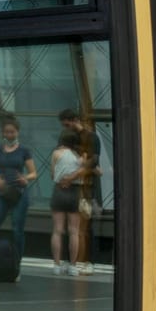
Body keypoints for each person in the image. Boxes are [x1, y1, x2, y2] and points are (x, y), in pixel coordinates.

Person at [0, 115, 38, 264]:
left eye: (12, 132)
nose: (9, 135)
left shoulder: (24, 150)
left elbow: (34, 172)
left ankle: (16, 264)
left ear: (17, 132)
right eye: (7, 132)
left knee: (17, 230)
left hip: (19, 192)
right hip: (2, 192)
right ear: (3, 133)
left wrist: (25, 178)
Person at [61, 109, 101, 274]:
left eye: (68, 123)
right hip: (78, 185)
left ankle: (86, 260)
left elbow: (94, 161)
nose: (67, 127)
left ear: (75, 120)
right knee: (74, 226)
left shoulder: (90, 137)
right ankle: (75, 260)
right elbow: (94, 163)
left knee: (84, 225)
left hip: (85, 186)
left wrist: (75, 173)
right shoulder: (72, 137)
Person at [49, 129, 86, 276]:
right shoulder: (80, 156)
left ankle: (57, 265)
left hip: (58, 191)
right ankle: (72, 266)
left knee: (57, 230)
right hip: (74, 192)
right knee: (74, 231)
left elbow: (52, 175)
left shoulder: (56, 154)